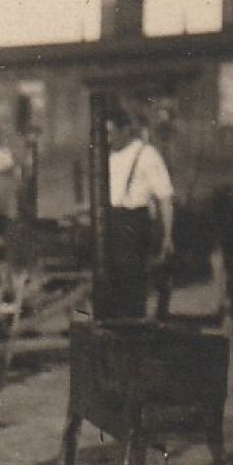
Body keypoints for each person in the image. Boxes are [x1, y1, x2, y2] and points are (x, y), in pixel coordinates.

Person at [101, 107, 175, 320]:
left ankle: (133, 328)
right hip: (110, 221)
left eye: (111, 132)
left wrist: (167, 237)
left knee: (131, 283)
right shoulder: (105, 155)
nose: (107, 138)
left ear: (125, 130)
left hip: (133, 223)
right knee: (109, 283)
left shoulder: (146, 154)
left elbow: (164, 198)